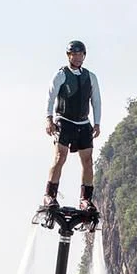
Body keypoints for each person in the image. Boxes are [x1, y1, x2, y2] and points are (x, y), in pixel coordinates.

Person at [42, 40, 101, 214]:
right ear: (69, 56)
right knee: (60, 157)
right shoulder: (61, 75)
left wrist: (97, 123)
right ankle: (49, 195)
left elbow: (96, 100)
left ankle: (85, 199)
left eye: (80, 54)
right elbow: (50, 97)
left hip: (83, 123)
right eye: (74, 54)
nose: (77, 57)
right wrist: (49, 119)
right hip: (64, 121)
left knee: (88, 161)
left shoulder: (90, 77)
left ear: (84, 56)